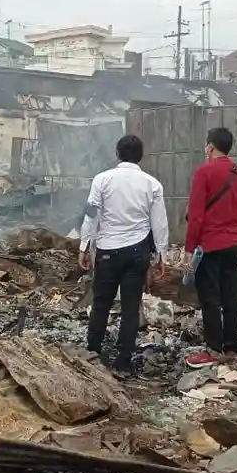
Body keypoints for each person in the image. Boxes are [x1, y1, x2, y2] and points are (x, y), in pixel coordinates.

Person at [79, 134, 169, 374]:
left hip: (107, 251)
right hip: (137, 252)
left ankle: (93, 352)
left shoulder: (102, 179)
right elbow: (159, 223)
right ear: (140, 156)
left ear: (117, 153)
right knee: (131, 306)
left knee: (101, 304)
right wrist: (161, 254)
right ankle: (124, 359)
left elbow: (91, 214)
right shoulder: (152, 184)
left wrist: (85, 244)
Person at [183, 127, 237, 368]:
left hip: (210, 245)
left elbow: (197, 215)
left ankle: (212, 350)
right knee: (230, 296)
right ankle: (231, 347)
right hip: (233, 244)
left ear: (210, 146)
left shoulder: (205, 172)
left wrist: (190, 248)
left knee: (210, 297)